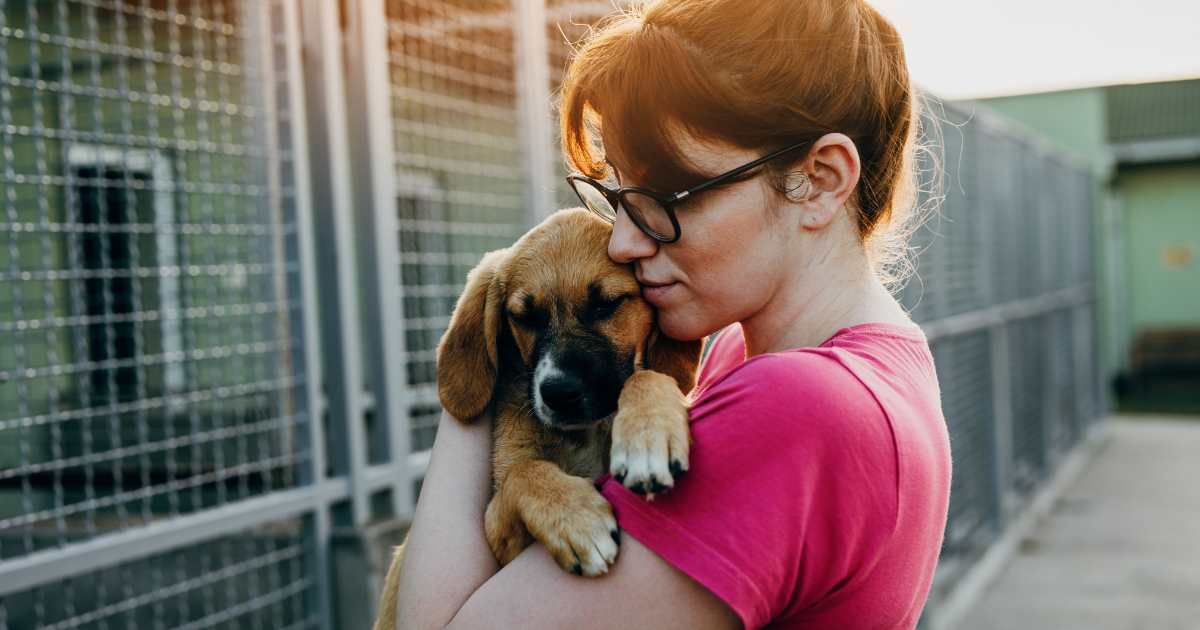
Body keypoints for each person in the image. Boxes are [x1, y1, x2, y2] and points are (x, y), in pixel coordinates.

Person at [392, 0, 951, 628]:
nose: (624, 241)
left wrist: (491, 334)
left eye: (666, 195)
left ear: (818, 180)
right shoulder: (830, 359)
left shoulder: (796, 405)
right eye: (617, 194)